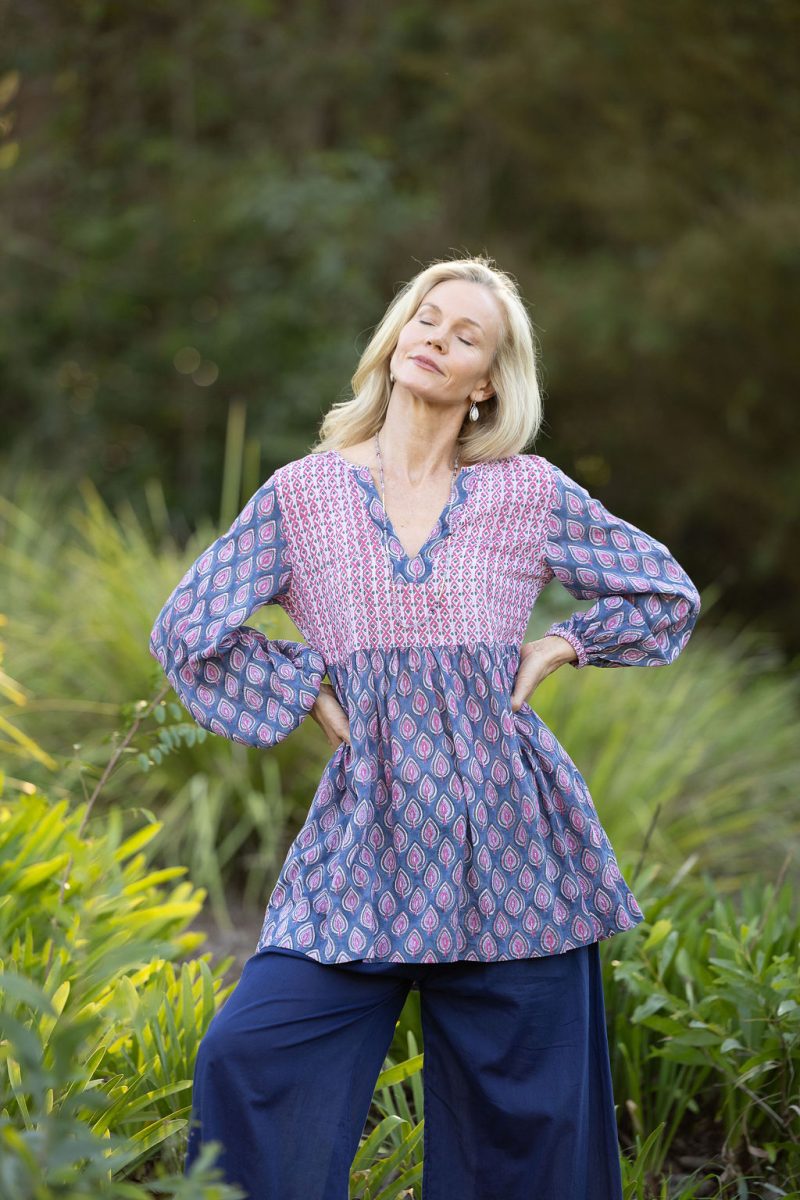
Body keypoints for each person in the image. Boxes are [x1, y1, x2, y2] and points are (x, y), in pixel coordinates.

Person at [148, 254, 701, 1200]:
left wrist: (562, 644)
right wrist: (299, 690)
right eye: (425, 319)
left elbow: (665, 592)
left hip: (514, 851)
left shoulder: (526, 492)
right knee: (249, 1057)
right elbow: (188, 628)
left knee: (531, 1127)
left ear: (488, 381)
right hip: (368, 840)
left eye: (464, 334)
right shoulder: (303, 495)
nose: (435, 339)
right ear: (396, 338)